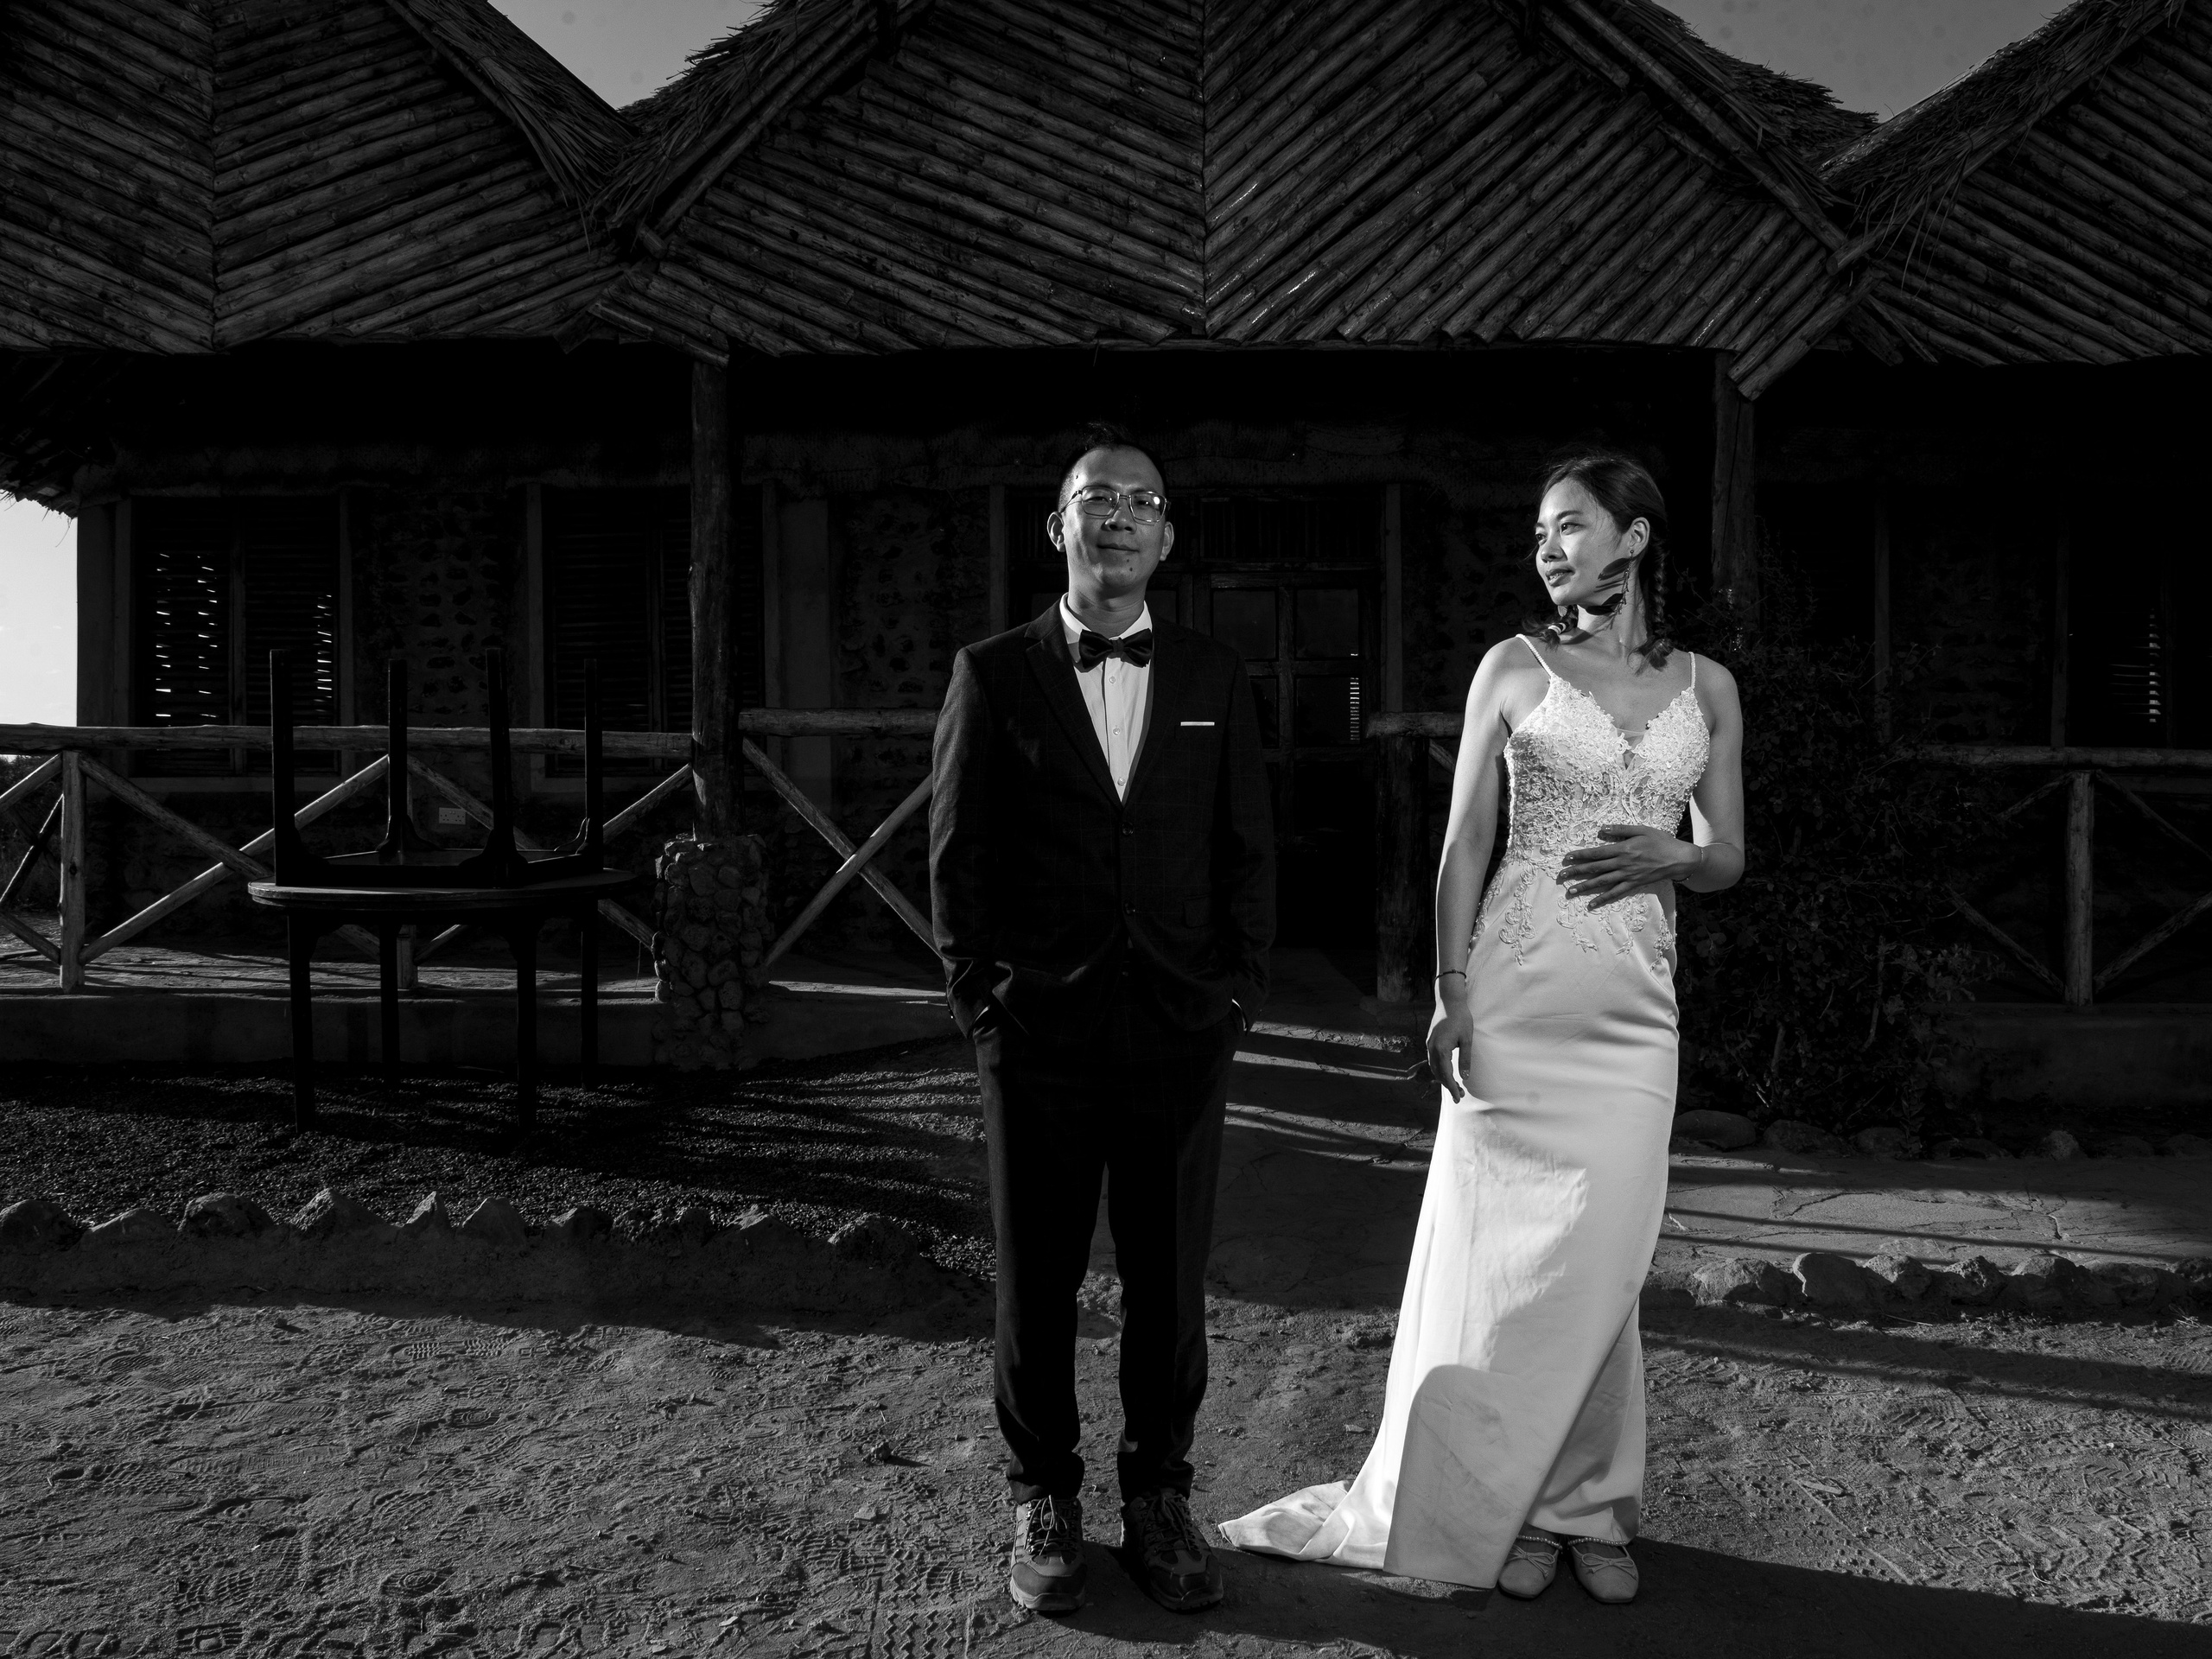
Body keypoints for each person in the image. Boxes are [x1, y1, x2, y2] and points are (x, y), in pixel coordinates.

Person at [1221, 452, 1744, 1604]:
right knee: (1500, 1264)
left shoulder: (1708, 687)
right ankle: (1506, 1508)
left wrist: (1678, 854)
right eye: (1539, 533)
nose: (1547, 549)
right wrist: (1450, 989)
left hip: (1633, 1018)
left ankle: (1585, 1506)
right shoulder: (1511, 667)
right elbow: (1464, 844)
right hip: (1512, 998)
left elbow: (1729, 857)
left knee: (1602, 1270)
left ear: (1634, 539)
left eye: (1570, 526)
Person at [929, 423, 1274, 1616]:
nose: (1118, 514)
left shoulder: (1215, 677)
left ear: (1167, 536)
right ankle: (1043, 1494)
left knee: (1171, 1283)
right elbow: (958, 861)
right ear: (1059, 528)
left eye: (1141, 500)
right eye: (1096, 498)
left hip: (1179, 1029)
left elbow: (1247, 847)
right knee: (1036, 1280)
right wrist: (985, 1008)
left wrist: (1234, 995)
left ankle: (1159, 1496)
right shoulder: (992, 674)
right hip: (1039, 1036)